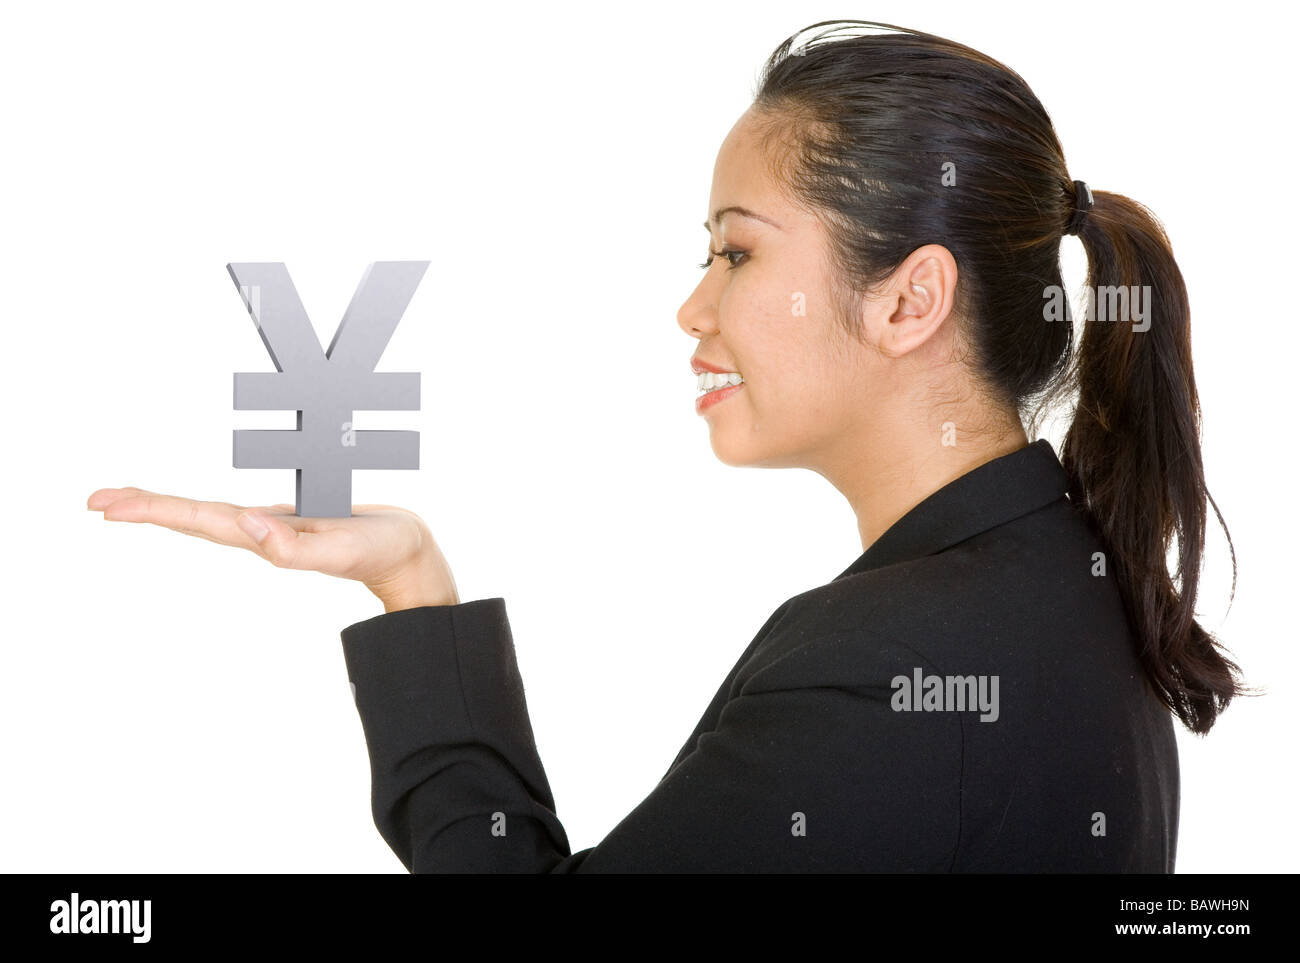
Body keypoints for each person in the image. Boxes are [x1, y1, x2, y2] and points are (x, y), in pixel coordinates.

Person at [86, 19, 1244, 872]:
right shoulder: (1069, 582)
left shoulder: (890, 666)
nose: (693, 308)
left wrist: (411, 599)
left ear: (908, 301)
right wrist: (412, 581)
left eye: (736, 253)